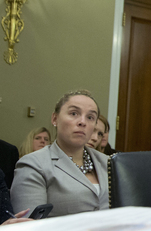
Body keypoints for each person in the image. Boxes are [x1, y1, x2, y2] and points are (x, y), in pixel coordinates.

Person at [11, 89, 109, 217]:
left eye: (90, 117)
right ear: (55, 119)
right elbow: (29, 227)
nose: (82, 122)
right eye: (74, 113)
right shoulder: (34, 164)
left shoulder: (109, 162)